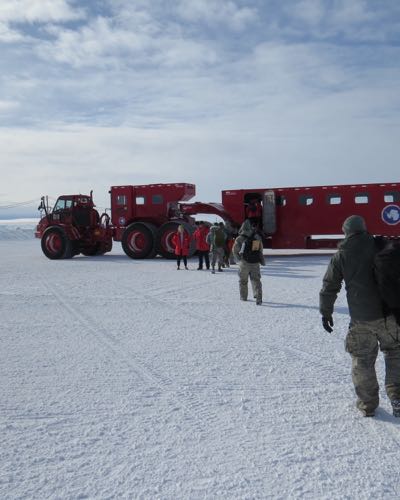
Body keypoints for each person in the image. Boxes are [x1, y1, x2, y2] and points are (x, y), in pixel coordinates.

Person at [319, 215, 400, 418]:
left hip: (361, 319)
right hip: (389, 315)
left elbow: (330, 286)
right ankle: (397, 397)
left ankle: (367, 404)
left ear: (346, 232)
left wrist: (326, 312)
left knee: (362, 360)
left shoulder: (341, 254)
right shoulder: (381, 245)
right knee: (395, 354)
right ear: (364, 229)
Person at [232, 219, 265, 305]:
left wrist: (239, 260)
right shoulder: (256, 236)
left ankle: (243, 297)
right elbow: (260, 250)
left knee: (243, 280)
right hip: (255, 262)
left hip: (244, 263)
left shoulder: (239, 238)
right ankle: (258, 296)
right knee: (256, 280)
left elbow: (235, 251)